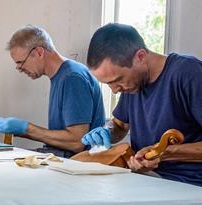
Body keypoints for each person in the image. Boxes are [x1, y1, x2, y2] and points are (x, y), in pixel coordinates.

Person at [81, 23, 202, 186]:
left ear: (140, 56)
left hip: (189, 185)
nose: (115, 90)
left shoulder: (188, 73)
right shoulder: (132, 85)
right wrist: (107, 131)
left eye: (117, 80)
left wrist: (164, 153)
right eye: (108, 84)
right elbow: (120, 125)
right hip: (149, 178)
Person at [0, 24, 105, 157]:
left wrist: (28, 128)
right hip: (59, 158)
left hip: (77, 165)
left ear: (39, 52)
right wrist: (21, 131)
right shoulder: (61, 75)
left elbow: (77, 142)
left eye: (21, 62)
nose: (20, 69)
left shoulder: (72, 78)